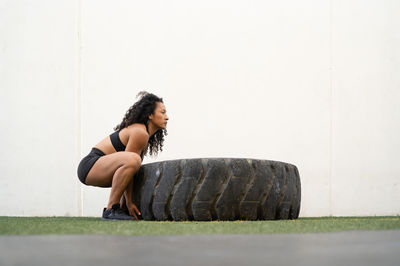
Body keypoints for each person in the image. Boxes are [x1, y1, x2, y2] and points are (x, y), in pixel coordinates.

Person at [77, 91, 168, 220]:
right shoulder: (140, 132)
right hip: (90, 165)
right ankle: (111, 209)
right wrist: (129, 202)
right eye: (162, 112)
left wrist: (126, 204)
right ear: (150, 115)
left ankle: (117, 209)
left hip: (101, 168)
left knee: (134, 164)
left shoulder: (144, 135)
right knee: (134, 159)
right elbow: (130, 163)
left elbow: (127, 173)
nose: (167, 117)